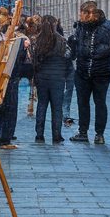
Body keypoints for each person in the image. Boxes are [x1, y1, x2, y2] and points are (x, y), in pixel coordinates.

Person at [69, 1, 110, 143]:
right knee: (83, 103)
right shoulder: (81, 27)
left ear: (89, 14)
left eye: (81, 13)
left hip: (101, 71)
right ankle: (83, 132)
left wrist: (93, 54)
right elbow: (78, 45)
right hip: (82, 71)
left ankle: (99, 134)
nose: (79, 16)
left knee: (100, 102)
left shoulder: (107, 26)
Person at [31, 15, 70, 143]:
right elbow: (68, 57)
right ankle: (56, 135)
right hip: (57, 77)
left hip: (42, 76)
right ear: (55, 25)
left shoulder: (37, 40)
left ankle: (39, 134)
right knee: (57, 107)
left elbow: (34, 59)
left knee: (42, 104)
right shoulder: (61, 40)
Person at [0, 14, 30, 149]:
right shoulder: (12, 39)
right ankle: (3, 136)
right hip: (9, 75)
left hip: (10, 75)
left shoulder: (18, 40)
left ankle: (3, 135)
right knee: (6, 106)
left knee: (5, 106)